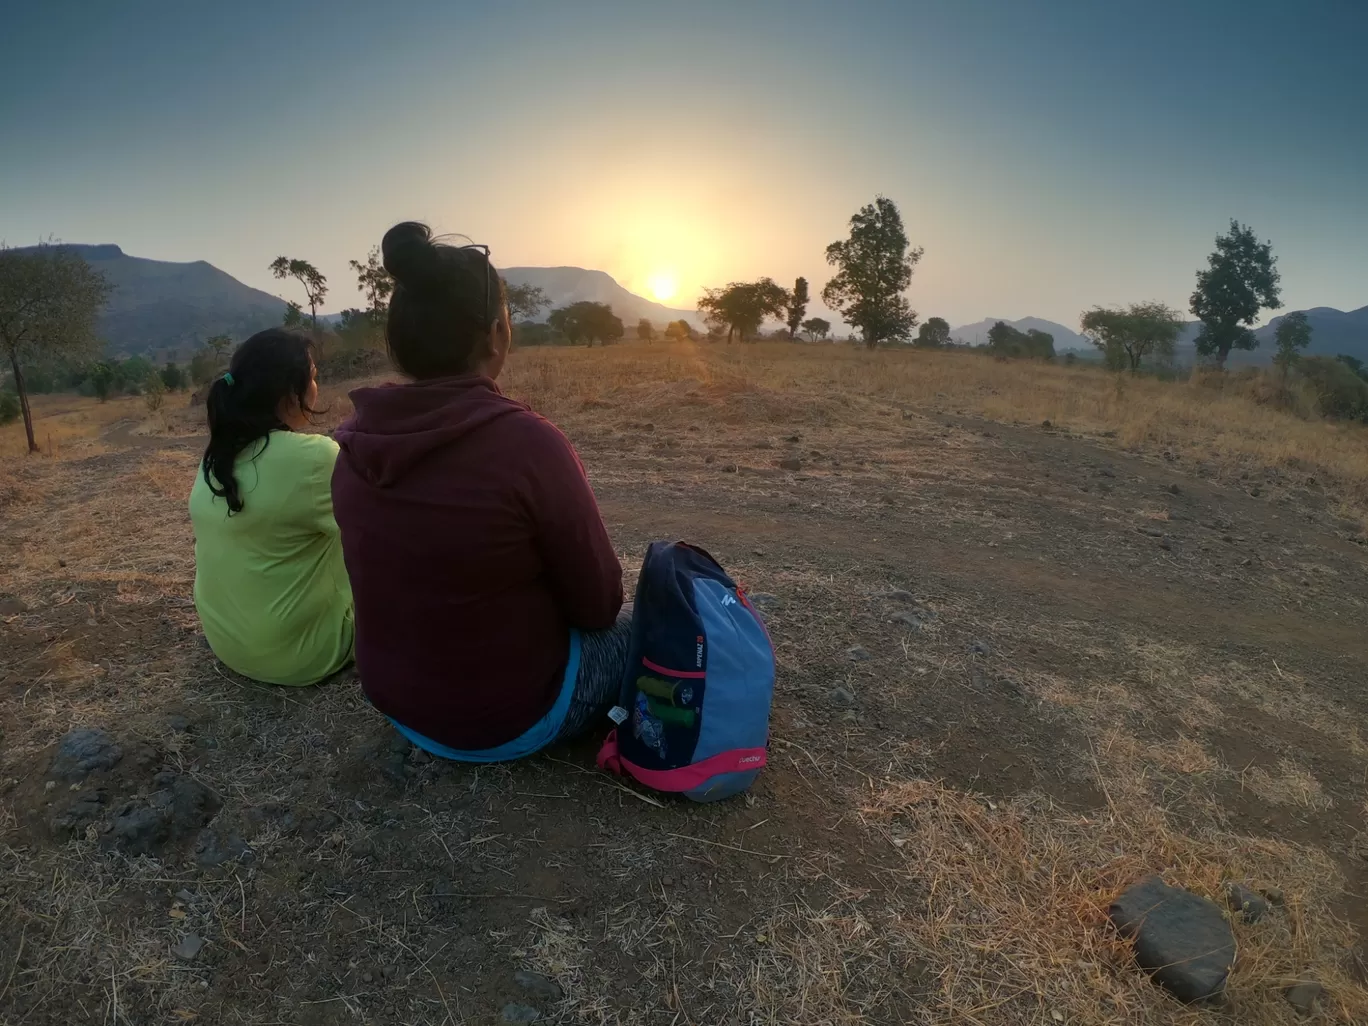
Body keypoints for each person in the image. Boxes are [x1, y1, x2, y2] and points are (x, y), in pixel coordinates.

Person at [331, 222, 628, 760]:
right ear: (495, 334)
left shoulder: (351, 446)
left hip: (401, 708)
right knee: (645, 624)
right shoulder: (528, 445)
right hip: (506, 721)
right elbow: (600, 606)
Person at [189, 329, 354, 686]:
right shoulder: (314, 458)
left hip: (229, 643)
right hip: (301, 654)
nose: (316, 387)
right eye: (312, 377)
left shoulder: (215, 457)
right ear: (289, 394)